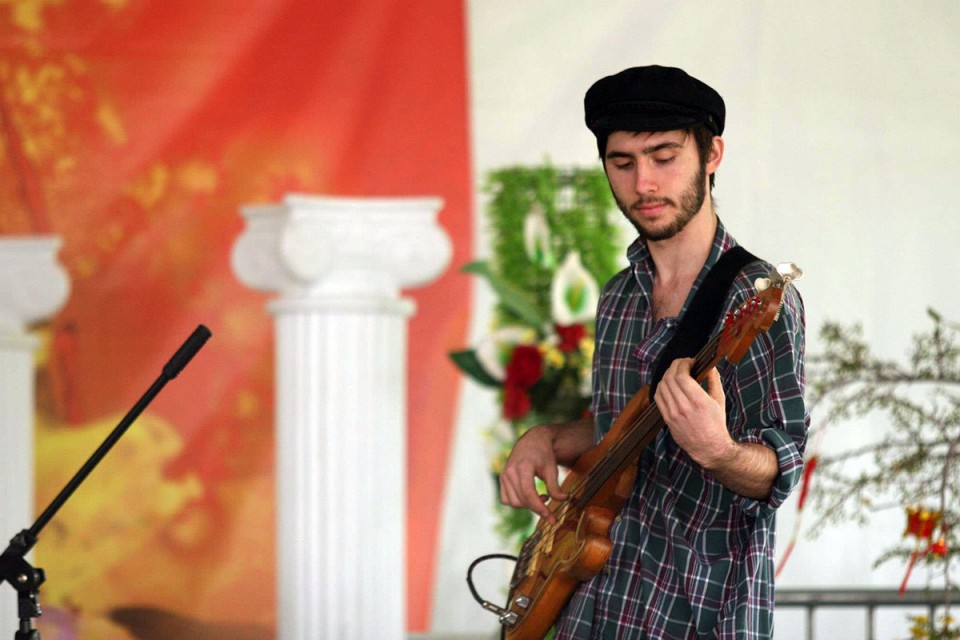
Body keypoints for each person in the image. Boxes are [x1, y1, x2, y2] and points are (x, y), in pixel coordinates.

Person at [498, 65, 809, 639]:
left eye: (664, 158)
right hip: (594, 602)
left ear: (712, 154)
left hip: (697, 611)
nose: (643, 183)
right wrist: (545, 438)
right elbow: (617, 429)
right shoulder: (618, 296)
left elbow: (779, 467)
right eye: (622, 163)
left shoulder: (756, 298)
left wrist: (719, 452)